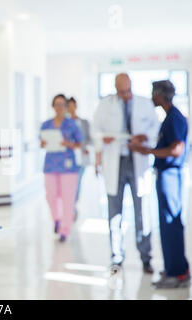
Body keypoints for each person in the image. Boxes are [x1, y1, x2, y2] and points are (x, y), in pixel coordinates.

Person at [92, 73, 160, 275]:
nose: (126, 94)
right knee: (114, 213)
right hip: (115, 160)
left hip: (137, 160)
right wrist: (102, 140)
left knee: (142, 213)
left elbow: (155, 127)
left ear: (132, 86)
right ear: (115, 89)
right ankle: (116, 257)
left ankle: (146, 257)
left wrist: (146, 137)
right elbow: (96, 129)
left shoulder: (144, 103)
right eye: (122, 92)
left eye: (128, 90)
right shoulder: (106, 104)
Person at [129, 80, 190, 288]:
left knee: (170, 222)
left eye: (153, 93)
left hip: (170, 175)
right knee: (168, 223)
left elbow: (176, 149)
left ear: (160, 94)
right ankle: (177, 267)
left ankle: (177, 273)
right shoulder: (170, 117)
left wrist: (148, 152)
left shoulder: (175, 117)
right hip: (166, 175)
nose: (151, 97)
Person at [40, 94, 84, 242]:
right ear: (53, 106)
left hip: (68, 166)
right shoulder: (46, 125)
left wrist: (68, 144)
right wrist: (44, 144)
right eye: (56, 104)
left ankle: (65, 229)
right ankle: (57, 220)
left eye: (62, 105)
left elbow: (80, 143)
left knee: (67, 198)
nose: (59, 108)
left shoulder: (71, 124)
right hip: (51, 165)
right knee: (51, 196)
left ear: (66, 107)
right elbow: (41, 142)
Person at [67, 97, 92, 221]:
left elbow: (88, 138)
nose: (71, 108)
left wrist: (83, 146)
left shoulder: (84, 122)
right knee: (69, 184)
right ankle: (70, 206)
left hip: (81, 158)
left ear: (76, 106)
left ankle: (73, 206)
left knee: (77, 183)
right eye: (68, 106)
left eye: (73, 106)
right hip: (68, 159)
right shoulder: (64, 123)